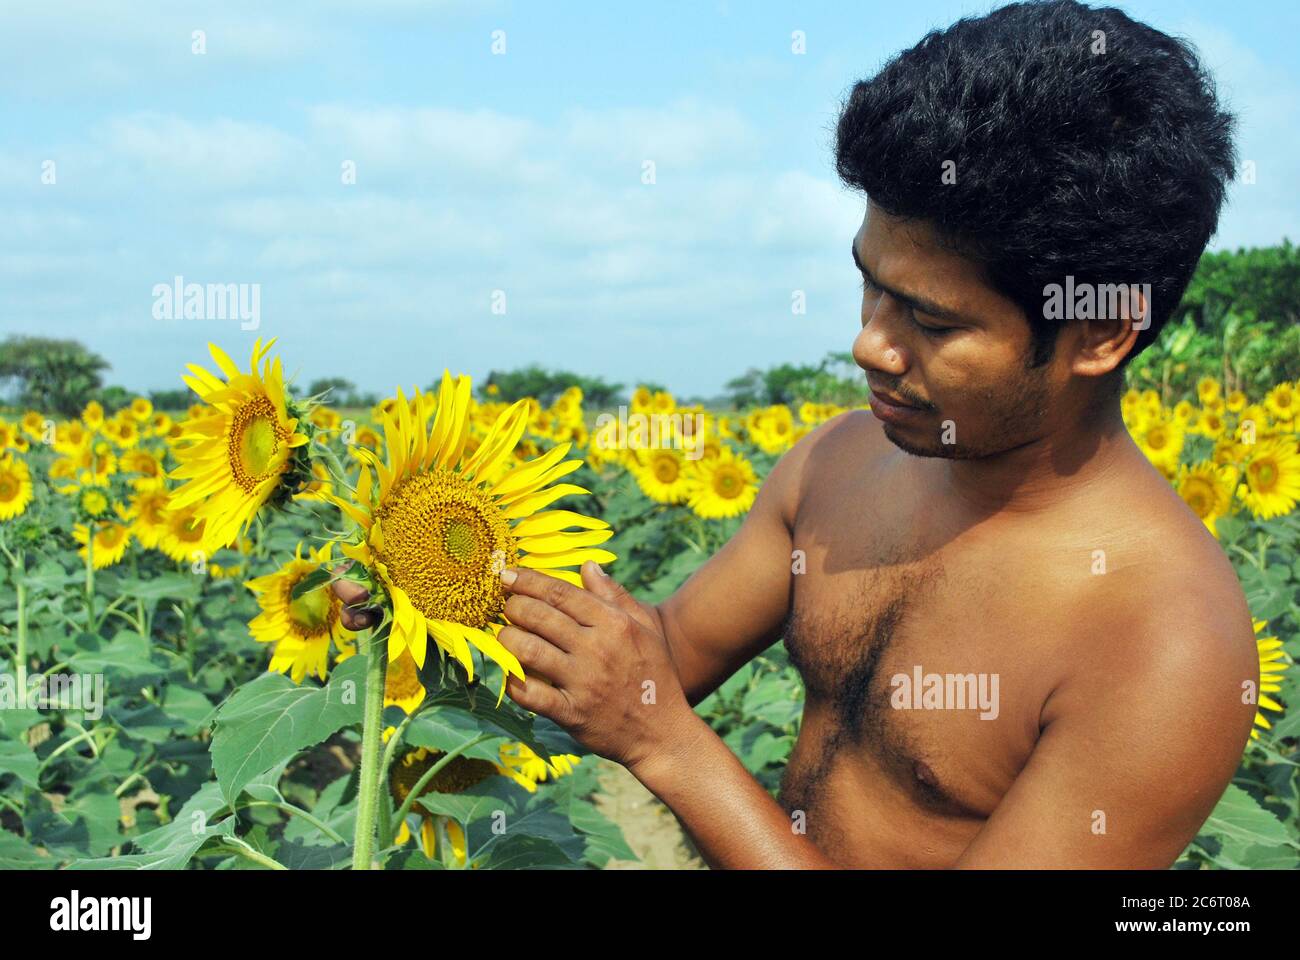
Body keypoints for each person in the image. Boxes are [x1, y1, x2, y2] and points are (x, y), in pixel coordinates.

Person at [339, 0, 1258, 868]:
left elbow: (653, 709)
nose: (868, 343)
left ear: (1097, 333)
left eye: (931, 323)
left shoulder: (1163, 644)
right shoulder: (840, 462)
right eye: (870, 283)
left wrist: (665, 743)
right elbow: (660, 657)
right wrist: (438, 606)